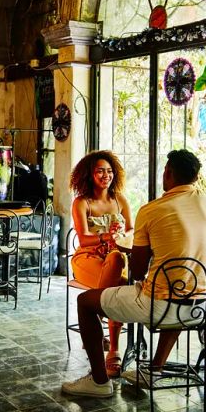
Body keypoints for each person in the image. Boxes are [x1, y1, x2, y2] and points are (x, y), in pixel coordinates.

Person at [62, 149, 206, 398]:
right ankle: (154, 369)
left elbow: (137, 271)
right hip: (198, 306)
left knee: (85, 302)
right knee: (178, 289)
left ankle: (98, 382)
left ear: (168, 174)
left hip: (156, 306)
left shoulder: (151, 210)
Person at [69, 150, 134, 378]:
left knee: (118, 265)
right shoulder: (82, 202)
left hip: (113, 259)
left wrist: (119, 237)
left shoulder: (120, 200)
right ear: (89, 174)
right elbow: (84, 238)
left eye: (109, 171)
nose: (106, 175)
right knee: (121, 285)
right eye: (100, 171)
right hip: (87, 258)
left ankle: (94, 322)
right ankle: (113, 349)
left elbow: (131, 231)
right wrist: (107, 237)